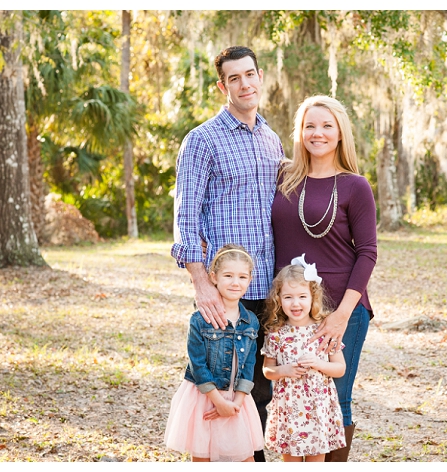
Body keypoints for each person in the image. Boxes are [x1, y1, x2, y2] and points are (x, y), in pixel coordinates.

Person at [171, 45, 284, 462]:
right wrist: (202, 284)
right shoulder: (202, 141)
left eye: (250, 74)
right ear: (222, 86)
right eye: (234, 78)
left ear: (260, 77)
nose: (244, 83)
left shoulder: (271, 139)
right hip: (227, 292)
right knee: (218, 391)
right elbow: (186, 217)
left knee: (257, 390)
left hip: (268, 287)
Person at [271, 95, 378, 461]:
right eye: (309, 126)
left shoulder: (355, 186)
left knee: (335, 396)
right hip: (291, 308)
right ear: (299, 132)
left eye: (326, 125)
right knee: (289, 393)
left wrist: (342, 314)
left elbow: (367, 253)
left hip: (341, 308)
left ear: (340, 133)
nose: (318, 133)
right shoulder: (282, 176)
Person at [164, 244, 264, 462]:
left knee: (246, 458)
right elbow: (197, 366)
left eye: (242, 276)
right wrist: (218, 402)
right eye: (228, 275)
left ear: (250, 280)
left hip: (237, 399)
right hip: (205, 397)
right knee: (203, 457)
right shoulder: (200, 320)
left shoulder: (251, 321)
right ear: (214, 277)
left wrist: (236, 403)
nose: (235, 282)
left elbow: (248, 366)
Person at [261, 257, 347, 462]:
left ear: (312, 297)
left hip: (318, 409)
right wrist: (285, 370)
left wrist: (319, 364)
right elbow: (267, 371)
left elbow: (340, 368)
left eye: (302, 296)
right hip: (289, 410)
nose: (296, 303)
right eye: (288, 297)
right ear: (278, 299)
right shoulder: (275, 334)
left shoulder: (324, 330)